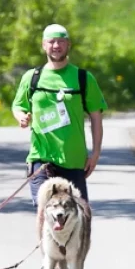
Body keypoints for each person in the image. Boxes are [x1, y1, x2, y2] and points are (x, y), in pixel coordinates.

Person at [11, 23, 107, 206]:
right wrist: (21, 117)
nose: (56, 46)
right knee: (47, 213)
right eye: (51, 41)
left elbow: (96, 117)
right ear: (43, 45)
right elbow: (17, 106)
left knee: (77, 218)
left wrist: (95, 153)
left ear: (68, 44)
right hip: (41, 160)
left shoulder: (83, 78)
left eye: (61, 41)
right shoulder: (32, 77)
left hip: (73, 161)